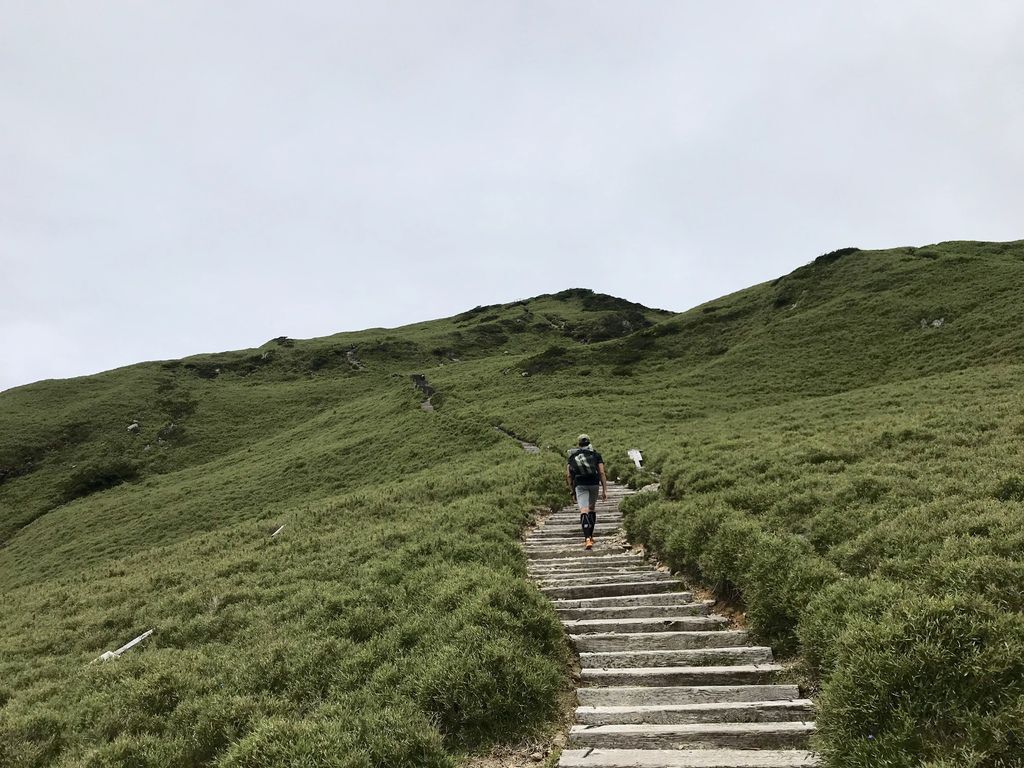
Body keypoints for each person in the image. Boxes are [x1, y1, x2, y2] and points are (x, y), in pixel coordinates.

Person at [565, 434, 607, 549]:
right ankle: (591, 536)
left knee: (584, 510)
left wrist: (572, 490)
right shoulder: (596, 455)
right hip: (594, 483)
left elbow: (569, 475)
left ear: (578, 444)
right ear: (589, 442)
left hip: (580, 484)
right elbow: (602, 473)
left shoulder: (572, 456)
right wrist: (604, 490)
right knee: (592, 508)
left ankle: (587, 538)